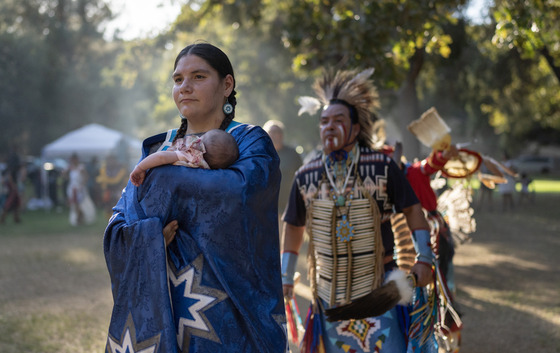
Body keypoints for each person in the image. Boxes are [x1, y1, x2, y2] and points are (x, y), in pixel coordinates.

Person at [103, 42, 287, 353]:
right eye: (178, 80)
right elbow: (121, 219)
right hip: (164, 308)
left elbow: (241, 195)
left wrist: (164, 179)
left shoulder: (249, 140)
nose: (185, 87)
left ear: (227, 84)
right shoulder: (155, 150)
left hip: (232, 314)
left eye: (198, 77)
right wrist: (147, 238)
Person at [282, 68, 436, 353]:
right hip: (329, 294)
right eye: (324, 121)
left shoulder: (381, 167)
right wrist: (285, 275)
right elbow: (293, 226)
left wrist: (424, 257)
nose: (329, 126)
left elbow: (414, 212)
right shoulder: (306, 176)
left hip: (381, 289)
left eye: (338, 120)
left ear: (355, 128)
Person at [129, 128, 239, 187]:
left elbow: (161, 157)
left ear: (199, 144)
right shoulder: (206, 171)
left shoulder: (190, 155)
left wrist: (140, 167)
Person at [263, 120, 303, 216]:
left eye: (278, 132)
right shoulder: (259, 154)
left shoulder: (293, 154)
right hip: (264, 210)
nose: (275, 135)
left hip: (288, 209)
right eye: (271, 132)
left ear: (282, 135)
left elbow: (302, 178)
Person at [65, 153, 96, 226]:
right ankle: (78, 218)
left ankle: (82, 217)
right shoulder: (71, 168)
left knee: (82, 203)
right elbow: (65, 175)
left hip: (80, 188)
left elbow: (86, 177)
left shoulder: (81, 167)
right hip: (73, 188)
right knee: (75, 204)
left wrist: (82, 184)